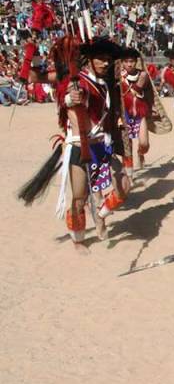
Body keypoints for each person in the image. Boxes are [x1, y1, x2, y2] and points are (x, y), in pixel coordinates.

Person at [54, 37, 130, 252]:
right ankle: (78, 238)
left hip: (102, 145)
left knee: (124, 185)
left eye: (108, 59)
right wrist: (71, 98)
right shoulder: (79, 83)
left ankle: (102, 212)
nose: (105, 63)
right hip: (81, 146)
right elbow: (67, 98)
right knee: (79, 197)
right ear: (89, 60)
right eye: (101, 59)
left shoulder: (106, 83)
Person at [118, 48, 152, 175]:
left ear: (136, 62)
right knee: (127, 144)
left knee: (144, 143)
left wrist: (152, 109)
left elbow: (149, 93)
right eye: (126, 61)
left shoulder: (142, 75)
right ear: (122, 63)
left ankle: (140, 153)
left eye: (131, 61)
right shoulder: (117, 76)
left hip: (140, 110)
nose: (129, 64)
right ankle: (129, 173)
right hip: (124, 113)